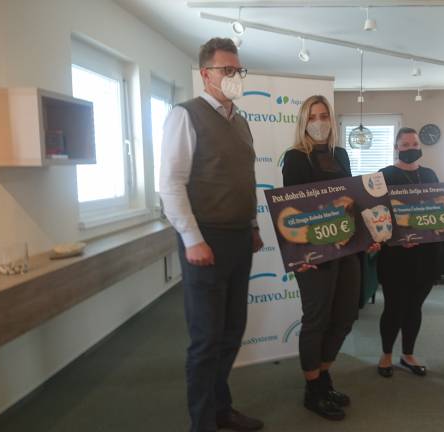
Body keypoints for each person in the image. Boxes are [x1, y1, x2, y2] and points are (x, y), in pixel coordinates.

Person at [160, 37, 264, 432]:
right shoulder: (185, 115)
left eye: (238, 70)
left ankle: (221, 409)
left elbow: (244, 179)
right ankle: (202, 423)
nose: (235, 76)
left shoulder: (240, 121)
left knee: (232, 332)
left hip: (239, 239)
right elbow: (171, 183)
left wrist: (252, 226)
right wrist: (192, 239)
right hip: (206, 240)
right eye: (227, 70)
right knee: (206, 340)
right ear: (206, 74)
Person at [281, 95, 380, 421]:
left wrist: (367, 236)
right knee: (317, 319)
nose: (319, 122)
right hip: (314, 252)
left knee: (345, 316)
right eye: (313, 117)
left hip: (347, 247)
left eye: (324, 115)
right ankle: (313, 390)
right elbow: (292, 208)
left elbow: (351, 201)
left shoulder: (341, 155)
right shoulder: (295, 158)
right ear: (303, 122)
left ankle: (323, 377)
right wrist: (300, 253)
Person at [375, 128, 440, 378]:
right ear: (396, 148)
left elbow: (437, 208)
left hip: (426, 253)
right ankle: (386, 355)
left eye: (414, 144)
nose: (411, 148)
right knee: (394, 307)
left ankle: (408, 354)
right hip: (396, 254)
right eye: (405, 144)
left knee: (415, 307)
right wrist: (398, 238)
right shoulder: (384, 175)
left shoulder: (430, 174)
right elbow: (378, 214)